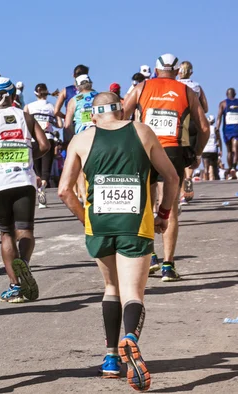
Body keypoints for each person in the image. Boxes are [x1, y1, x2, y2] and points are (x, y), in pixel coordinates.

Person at [58, 92, 179, 391]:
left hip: (98, 224)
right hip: (135, 224)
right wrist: (163, 213)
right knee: (133, 292)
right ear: (121, 110)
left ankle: (112, 358)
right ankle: (131, 339)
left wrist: (86, 220)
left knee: (111, 288)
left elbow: (63, 190)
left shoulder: (82, 139)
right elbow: (172, 177)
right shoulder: (142, 131)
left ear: (94, 115)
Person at [123, 53, 209, 282]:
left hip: (144, 149)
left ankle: (150, 257)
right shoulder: (187, 91)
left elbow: (121, 114)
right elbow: (204, 127)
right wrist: (197, 152)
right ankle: (168, 266)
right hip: (173, 151)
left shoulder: (141, 87)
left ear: (156, 68)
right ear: (177, 69)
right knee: (168, 208)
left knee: (145, 204)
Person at [0, 77, 50, 302]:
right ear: (14, 96)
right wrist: (28, 158)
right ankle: (23, 262)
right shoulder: (26, 117)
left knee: (6, 233)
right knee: (26, 231)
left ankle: (15, 285)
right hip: (24, 180)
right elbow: (44, 146)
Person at [25, 83, 62, 208]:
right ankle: (42, 188)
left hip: (33, 140)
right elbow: (60, 125)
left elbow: (23, 123)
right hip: (48, 138)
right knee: (46, 169)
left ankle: (39, 188)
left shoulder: (29, 107)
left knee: (36, 169)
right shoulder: (51, 107)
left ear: (36, 93)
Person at [178, 60, 209, 203]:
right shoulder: (197, 87)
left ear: (178, 71)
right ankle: (188, 180)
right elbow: (206, 108)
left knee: (179, 155)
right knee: (191, 155)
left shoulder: (176, 85)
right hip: (194, 123)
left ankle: (180, 193)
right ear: (191, 72)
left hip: (180, 123)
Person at [65, 74, 98, 203]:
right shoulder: (100, 96)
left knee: (79, 166)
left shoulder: (74, 100)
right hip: (100, 134)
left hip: (82, 136)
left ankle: (84, 198)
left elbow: (67, 124)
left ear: (78, 87)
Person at [216, 88, 238, 171]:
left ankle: (230, 168)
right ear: (235, 94)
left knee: (229, 151)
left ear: (226, 94)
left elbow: (219, 117)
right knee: (235, 150)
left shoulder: (223, 103)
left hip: (227, 131)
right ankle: (233, 168)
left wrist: (217, 128)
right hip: (236, 129)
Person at [202, 115, 221, 181]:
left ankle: (206, 180)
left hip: (205, 150)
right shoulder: (215, 129)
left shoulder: (204, 128)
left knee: (206, 167)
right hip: (213, 150)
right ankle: (216, 179)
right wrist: (221, 150)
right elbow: (219, 140)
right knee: (214, 166)